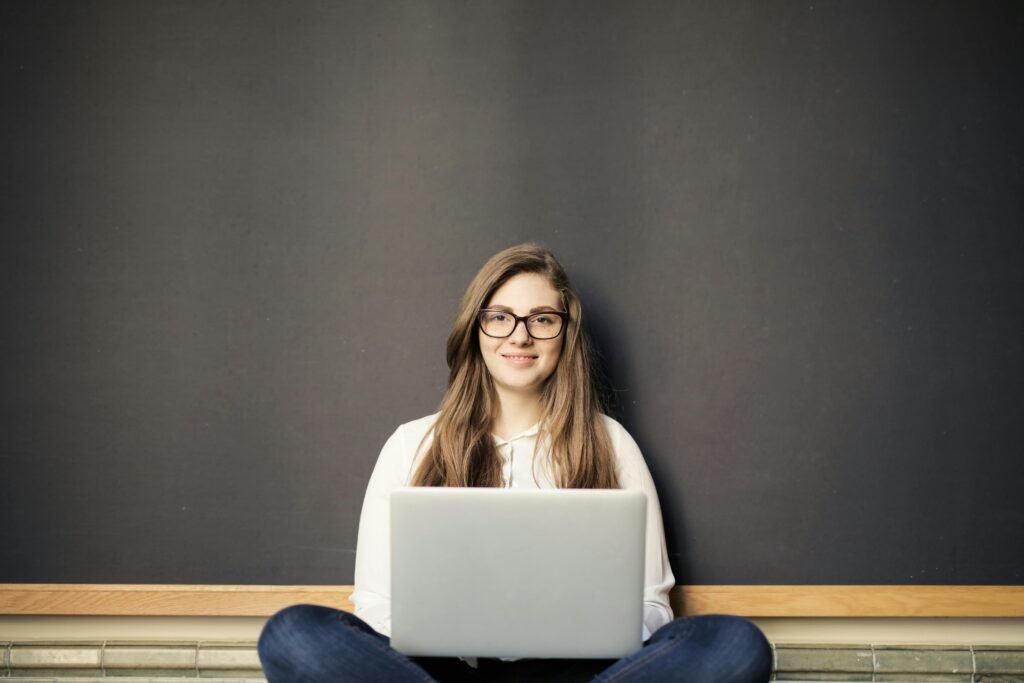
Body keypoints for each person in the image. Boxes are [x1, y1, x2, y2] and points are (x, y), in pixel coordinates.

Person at [258, 244, 772, 682]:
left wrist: (581, 628)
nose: (519, 336)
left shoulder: (608, 442)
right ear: (476, 329)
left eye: (542, 320)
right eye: (500, 317)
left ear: (564, 334)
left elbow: (653, 607)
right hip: (443, 672)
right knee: (293, 632)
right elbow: (374, 602)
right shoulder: (412, 443)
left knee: (734, 643)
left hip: (582, 673)